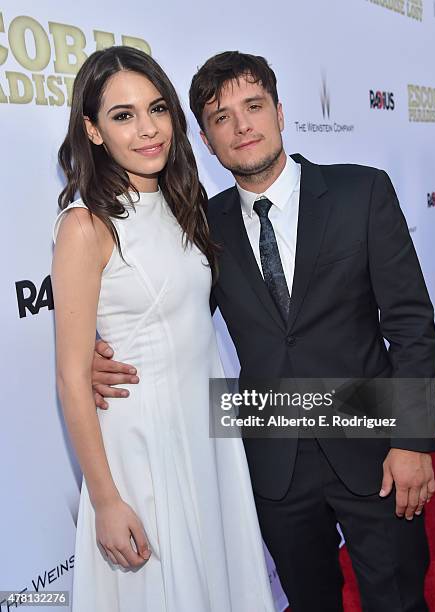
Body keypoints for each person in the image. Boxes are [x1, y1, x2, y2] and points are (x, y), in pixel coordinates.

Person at [92, 51, 435, 611]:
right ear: (205, 140)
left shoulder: (362, 192)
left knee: (398, 598)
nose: (242, 126)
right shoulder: (201, 225)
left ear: (279, 111)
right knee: (307, 601)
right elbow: (169, 315)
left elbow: (411, 323)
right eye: (221, 118)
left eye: (253, 106)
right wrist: (97, 354)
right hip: (274, 456)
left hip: (372, 441)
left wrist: (412, 440)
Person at [52, 46, 275, 612]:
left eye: (157, 108)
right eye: (123, 115)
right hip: (143, 446)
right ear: (93, 131)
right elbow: (74, 378)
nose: (148, 129)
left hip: (205, 432)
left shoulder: (185, 205)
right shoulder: (85, 226)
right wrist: (105, 500)